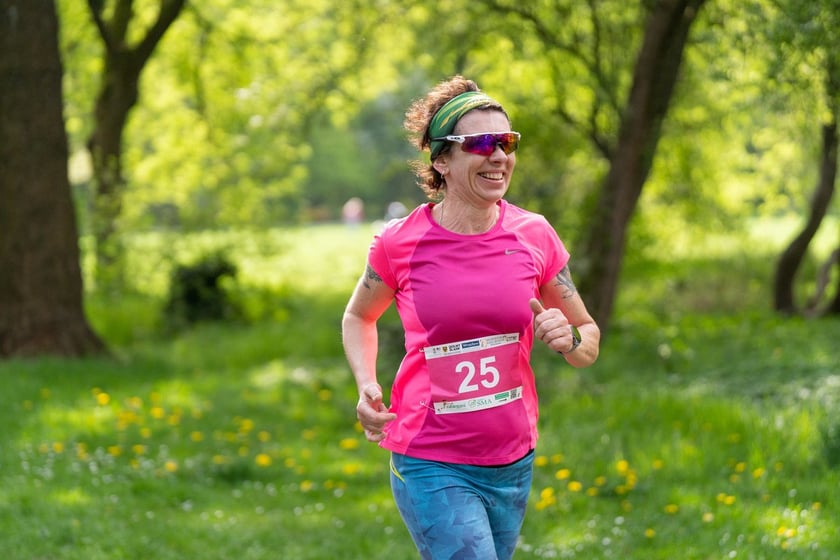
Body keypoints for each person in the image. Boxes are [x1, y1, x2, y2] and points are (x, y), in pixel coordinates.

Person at [341, 75, 600, 560]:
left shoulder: (534, 235)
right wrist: (365, 384)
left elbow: (588, 341)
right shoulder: (401, 243)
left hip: (512, 458)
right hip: (429, 456)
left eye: (505, 142)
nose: (498, 155)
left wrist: (568, 339)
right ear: (442, 160)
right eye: (480, 143)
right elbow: (358, 316)